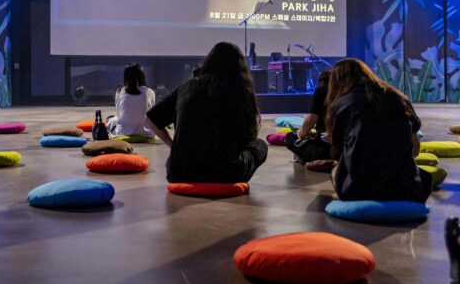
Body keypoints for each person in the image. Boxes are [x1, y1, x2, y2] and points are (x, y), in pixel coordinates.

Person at [146, 42, 267, 183]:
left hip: (180, 172)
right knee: (261, 145)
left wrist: (174, 147)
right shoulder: (239, 91)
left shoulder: (189, 85)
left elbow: (151, 119)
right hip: (226, 173)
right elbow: (248, 139)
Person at [325, 58, 431, 202]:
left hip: (359, 190)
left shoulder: (342, 104)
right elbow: (415, 149)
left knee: (336, 171)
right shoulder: (398, 98)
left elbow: (337, 153)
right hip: (406, 189)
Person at [284, 70, 332, 163]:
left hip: (326, 150)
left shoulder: (321, 91)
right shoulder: (348, 95)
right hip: (343, 151)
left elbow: (311, 119)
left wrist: (300, 133)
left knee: (290, 137)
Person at [106, 63, 156, 138]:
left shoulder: (120, 91)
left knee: (110, 119)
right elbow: (153, 114)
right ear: (142, 76)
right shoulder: (150, 92)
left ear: (126, 77)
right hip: (146, 134)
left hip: (123, 132)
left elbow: (119, 113)